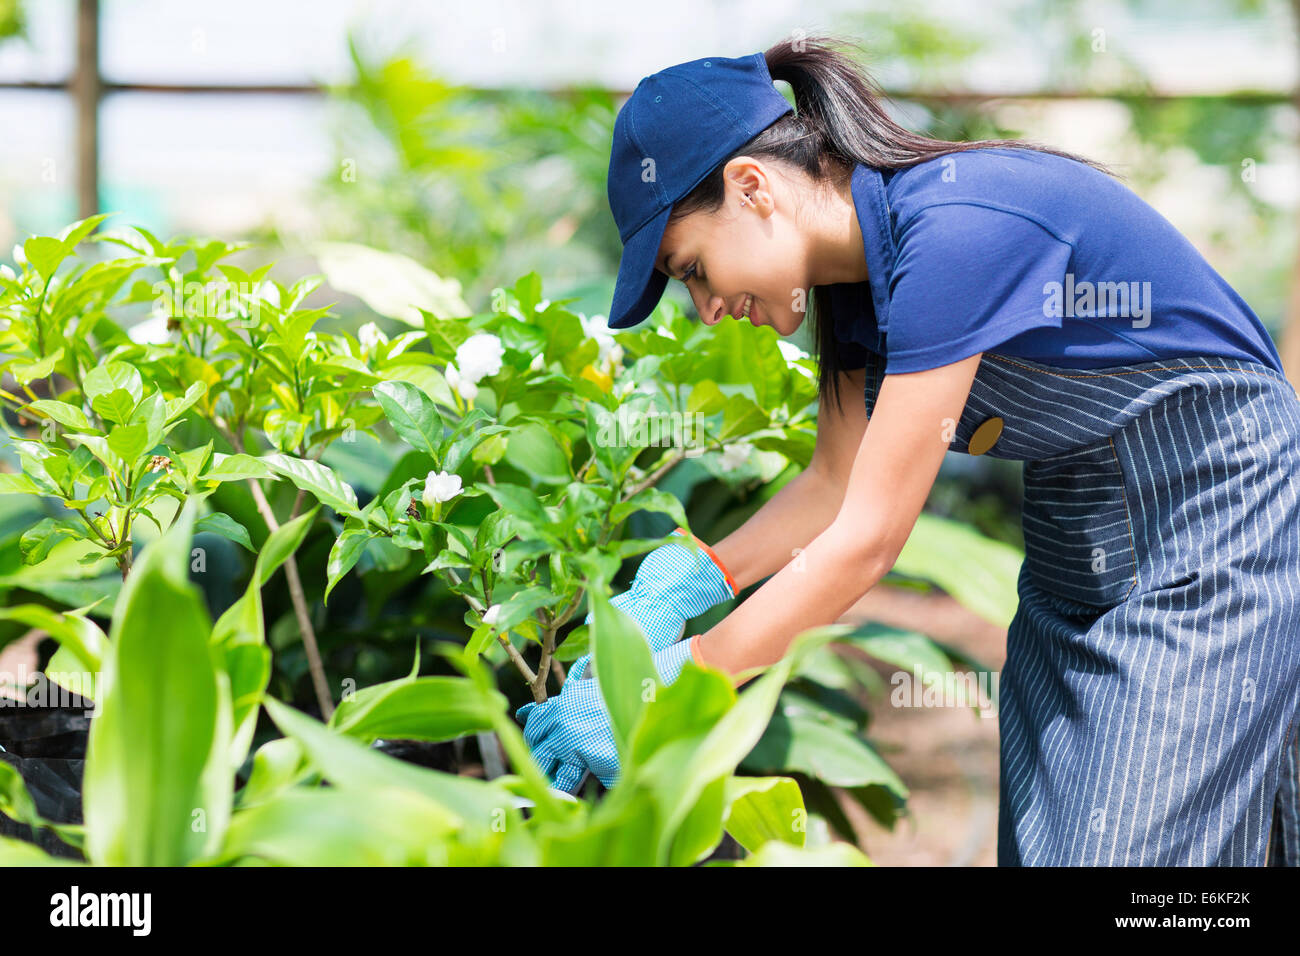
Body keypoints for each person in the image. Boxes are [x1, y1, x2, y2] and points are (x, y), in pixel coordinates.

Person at [516, 33, 1300, 867]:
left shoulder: (957, 233)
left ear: (751, 188)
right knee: (1050, 843)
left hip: (1214, 519)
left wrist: (682, 678)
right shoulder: (854, 290)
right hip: (1083, 536)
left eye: (694, 268)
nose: (706, 307)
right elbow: (832, 485)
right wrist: (690, 581)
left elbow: (869, 536)